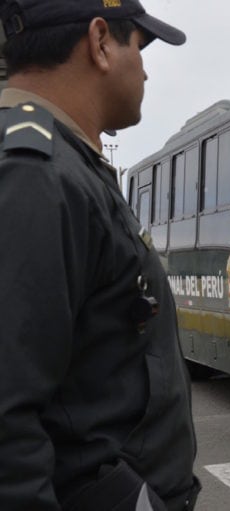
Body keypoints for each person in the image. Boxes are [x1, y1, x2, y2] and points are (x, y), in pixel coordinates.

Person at [0, 2, 199, 510]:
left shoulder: (65, 164)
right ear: (101, 41)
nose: (147, 68)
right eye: (141, 45)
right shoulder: (36, 175)